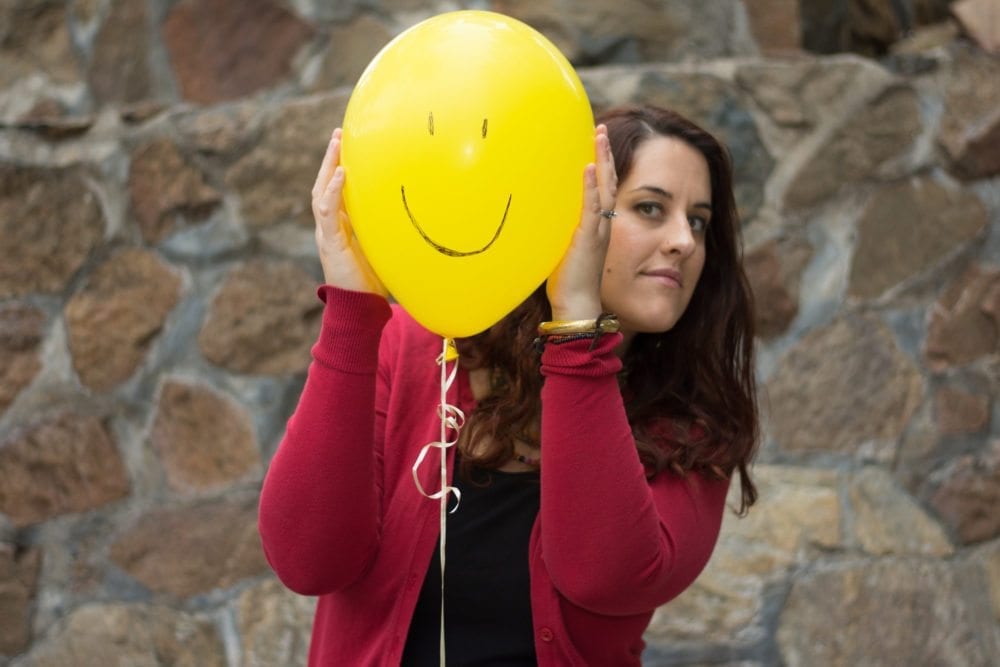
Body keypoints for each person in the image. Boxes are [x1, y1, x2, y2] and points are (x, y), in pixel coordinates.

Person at [258, 104, 759, 666]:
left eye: (697, 221)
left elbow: (603, 577)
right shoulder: (419, 345)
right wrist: (353, 315)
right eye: (650, 208)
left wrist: (576, 328)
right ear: (572, 212)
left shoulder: (693, 430)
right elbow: (307, 559)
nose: (683, 242)